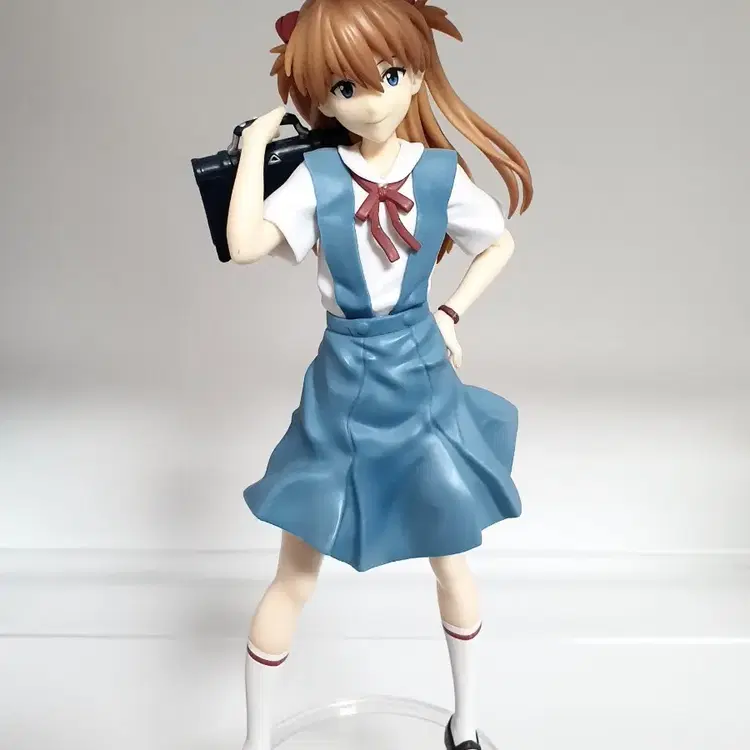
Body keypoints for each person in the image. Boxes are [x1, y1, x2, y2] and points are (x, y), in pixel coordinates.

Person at [225, 1, 533, 748]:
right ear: (323, 99)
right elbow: (244, 244)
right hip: (341, 383)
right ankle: (256, 739)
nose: (369, 100)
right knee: (295, 574)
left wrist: (450, 313)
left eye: (389, 76)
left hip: (421, 378)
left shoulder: (438, 175)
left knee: (452, 561)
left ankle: (467, 723)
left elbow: (498, 243)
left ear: (417, 75)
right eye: (344, 87)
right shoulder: (317, 177)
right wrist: (254, 149)